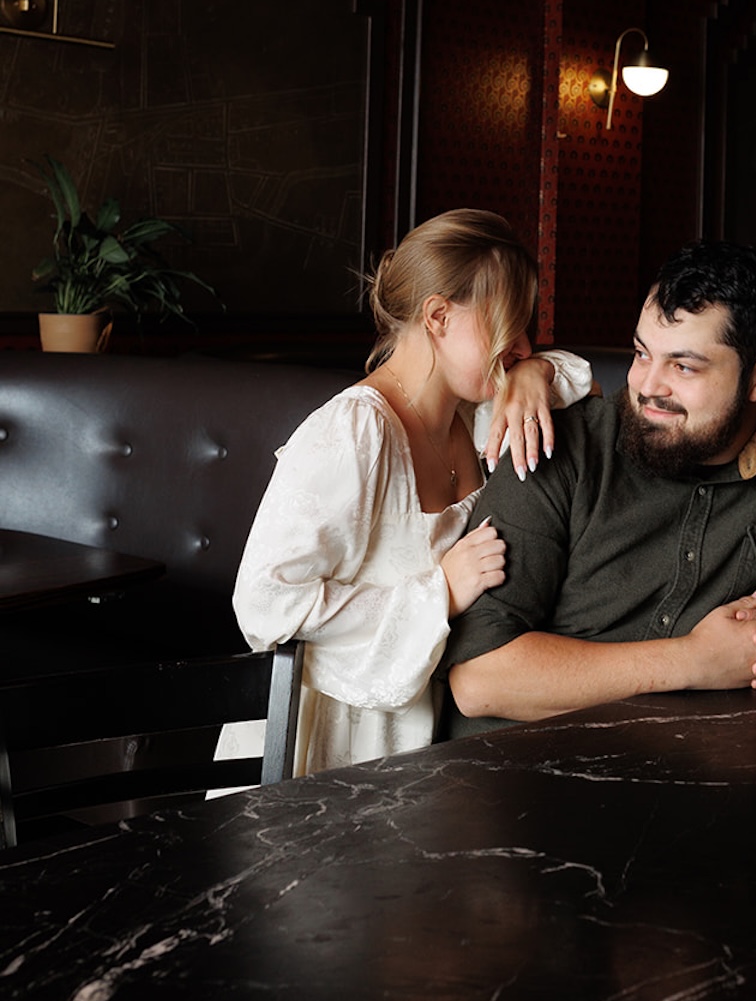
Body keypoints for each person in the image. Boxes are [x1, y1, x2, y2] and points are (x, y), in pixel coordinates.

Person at [444, 240, 756, 737]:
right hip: (519, 776)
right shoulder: (555, 448)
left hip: (713, 781)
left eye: (683, 366)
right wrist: (695, 661)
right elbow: (480, 679)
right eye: (641, 354)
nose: (648, 386)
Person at [220, 209, 591, 776]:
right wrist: (437, 592)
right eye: (506, 326)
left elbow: (579, 379)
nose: (519, 343)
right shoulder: (356, 430)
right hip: (331, 741)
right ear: (439, 316)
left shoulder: (480, 414)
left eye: (527, 328)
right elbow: (264, 604)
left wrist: (532, 372)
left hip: (438, 731)